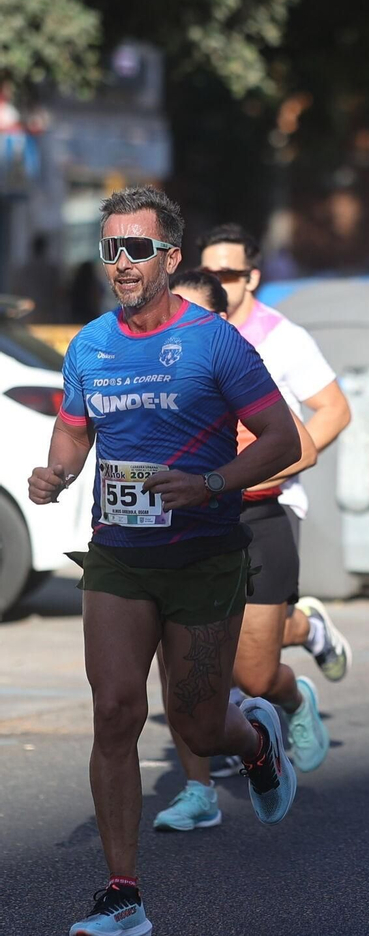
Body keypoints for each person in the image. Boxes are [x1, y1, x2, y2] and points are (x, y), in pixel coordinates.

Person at [29, 187, 304, 936]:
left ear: (171, 257)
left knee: (197, 723)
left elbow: (284, 440)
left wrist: (212, 482)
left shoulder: (214, 341)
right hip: (119, 554)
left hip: (206, 555)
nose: (122, 262)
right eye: (111, 248)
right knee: (116, 711)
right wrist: (56, 471)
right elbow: (74, 430)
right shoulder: (90, 344)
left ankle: (255, 740)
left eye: (138, 248)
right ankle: (124, 894)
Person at [148, 228, 355, 832]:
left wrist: (227, 480)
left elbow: (308, 442)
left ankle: (291, 697)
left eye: (195, 317)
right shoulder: (149, 371)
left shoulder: (253, 364)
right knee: (180, 665)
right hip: (179, 529)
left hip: (259, 516)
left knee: (252, 674)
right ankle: (196, 790)